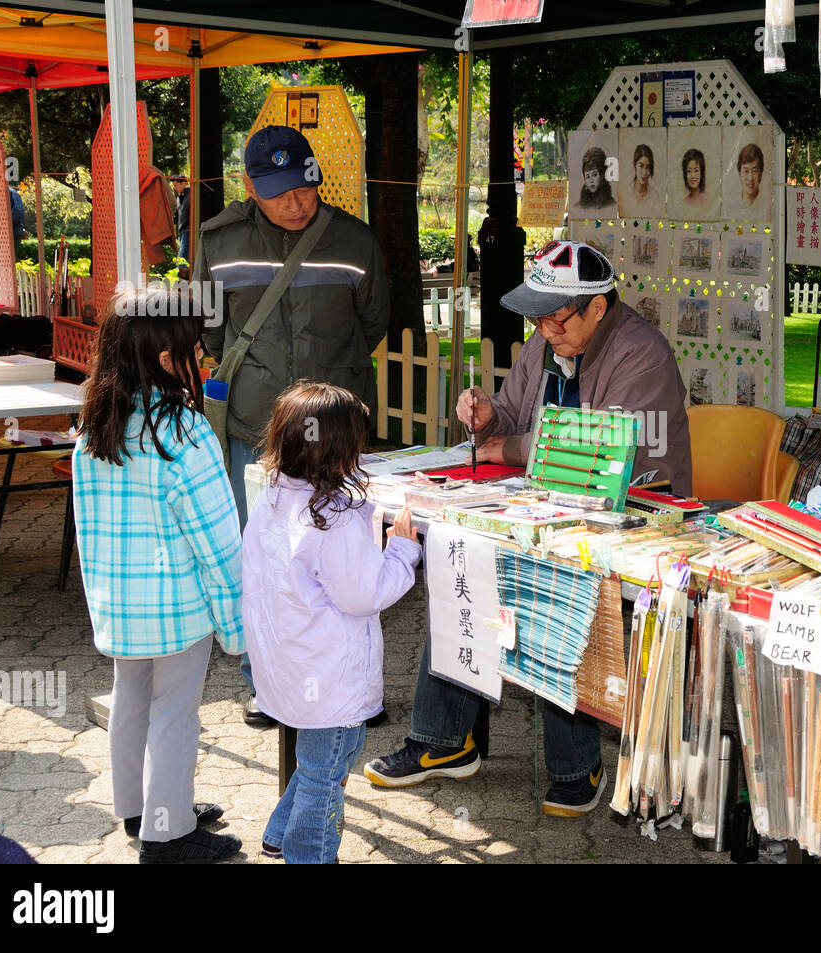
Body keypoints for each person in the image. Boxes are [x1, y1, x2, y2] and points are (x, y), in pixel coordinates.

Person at [364, 241, 692, 816]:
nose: (544, 329)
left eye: (555, 316)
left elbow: (599, 446)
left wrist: (506, 446)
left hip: (632, 508)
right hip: (544, 502)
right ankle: (445, 740)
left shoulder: (642, 352)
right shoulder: (547, 342)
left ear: (597, 307)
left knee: (561, 583)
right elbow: (513, 416)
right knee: (459, 555)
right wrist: (488, 414)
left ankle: (576, 765)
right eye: (537, 316)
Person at [196, 124, 390, 728]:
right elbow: (206, 329)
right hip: (255, 431)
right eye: (278, 193)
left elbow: (375, 322)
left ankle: (350, 687)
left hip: (334, 435)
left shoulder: (355, 243)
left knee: (347, 555)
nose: (295, 203)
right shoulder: (218, 244)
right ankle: (268, 685)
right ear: (250, 186)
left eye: (303, 188)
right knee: (264, 556)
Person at [72, 285, 244, 864]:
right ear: (169, 359)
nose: (204, 359)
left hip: (118, 604)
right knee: (175, 714)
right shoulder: (185, 432)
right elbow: (219, 543)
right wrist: (237, 626)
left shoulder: (93, 428)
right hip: (177, 608)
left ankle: (141, 808)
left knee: (132, 701)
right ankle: (166, 834)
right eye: (197, 349)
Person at [243, 381, 422, 864]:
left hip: (289, 667)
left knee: (319, 761)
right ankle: (309, 854)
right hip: (329, 677)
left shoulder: (273, 497)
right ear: (341, 450)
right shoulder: (334, 515)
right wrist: (403, 549)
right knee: (327, 772)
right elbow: (365, 595)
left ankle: (280, 833)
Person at [621, 143, 663, 218]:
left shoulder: (655, 197)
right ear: (635, 165)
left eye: (648, 167)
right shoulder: (625, 193)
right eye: (641, 166)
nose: (644, 172)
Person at [576, 146, 616, 216]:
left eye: (594, 175)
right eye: (587, 176)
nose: (591, 180)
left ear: (602, 175)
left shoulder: (611, 204)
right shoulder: (580, 206)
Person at [736, 143, 764, 209]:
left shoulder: (766, 204)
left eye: (755, 171)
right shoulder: (732, 204)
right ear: (739, 173)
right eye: (746, 171)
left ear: (761, 173)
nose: (750, 178)